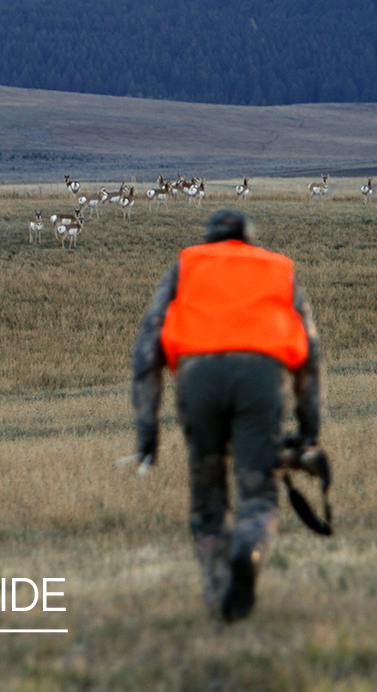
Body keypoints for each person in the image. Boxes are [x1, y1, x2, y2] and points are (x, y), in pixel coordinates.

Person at [131, 209, 323, 622]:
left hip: (198, 378)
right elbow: (309, 355)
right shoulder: (277, 268)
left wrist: (147, 434)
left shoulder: (187, 266)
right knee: (257, 493)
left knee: (208, 501)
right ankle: (247, 554)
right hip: (261, 377)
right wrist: (309, 428)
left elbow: (146, 353)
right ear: (249, 240)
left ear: (208, 239)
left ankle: (221, 594)